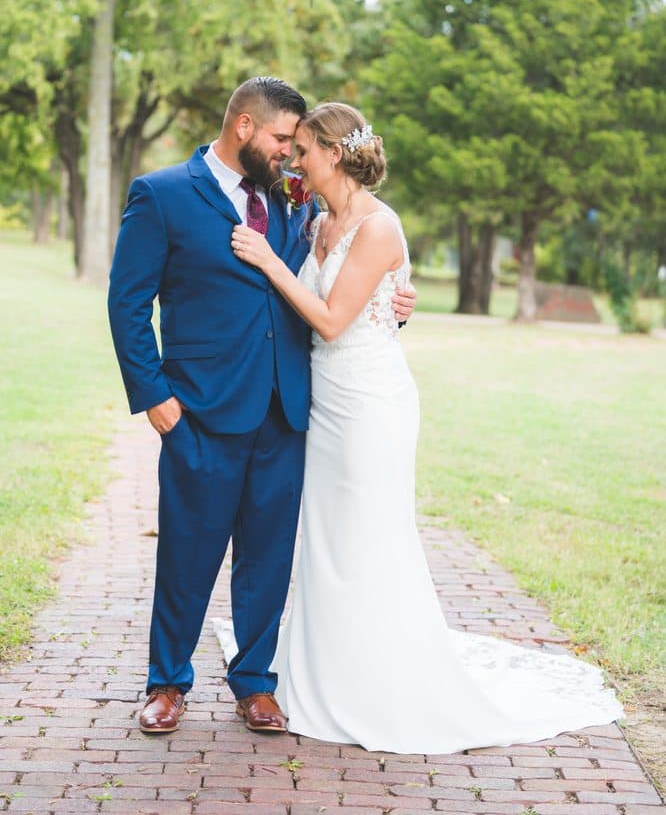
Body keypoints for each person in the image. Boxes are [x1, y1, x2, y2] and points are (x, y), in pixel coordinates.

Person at [230, 101, 623, 753]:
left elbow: (332, 320)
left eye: (303, 150)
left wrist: (268, 265)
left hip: (369, 406)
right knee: (328, 542)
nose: (294, 161)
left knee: (369, 541)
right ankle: (321, 671)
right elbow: (347, 307)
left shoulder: (379, 228)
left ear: (333, 152)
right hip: (323, 404)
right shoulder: (317, 220)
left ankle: (378, 684)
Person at [107, 78, 416, 736]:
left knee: (270, 556)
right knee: (188, 551)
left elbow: (335, 287)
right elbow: (127, 304)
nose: (289, 156)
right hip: (200, 413)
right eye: (282, 140)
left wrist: (395, 305)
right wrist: (155, 400)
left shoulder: (292, 206)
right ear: (244, 126)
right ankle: (167, 683)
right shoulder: (161, 195)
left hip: (288, 409)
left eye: (298, 146)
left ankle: (255, 684)